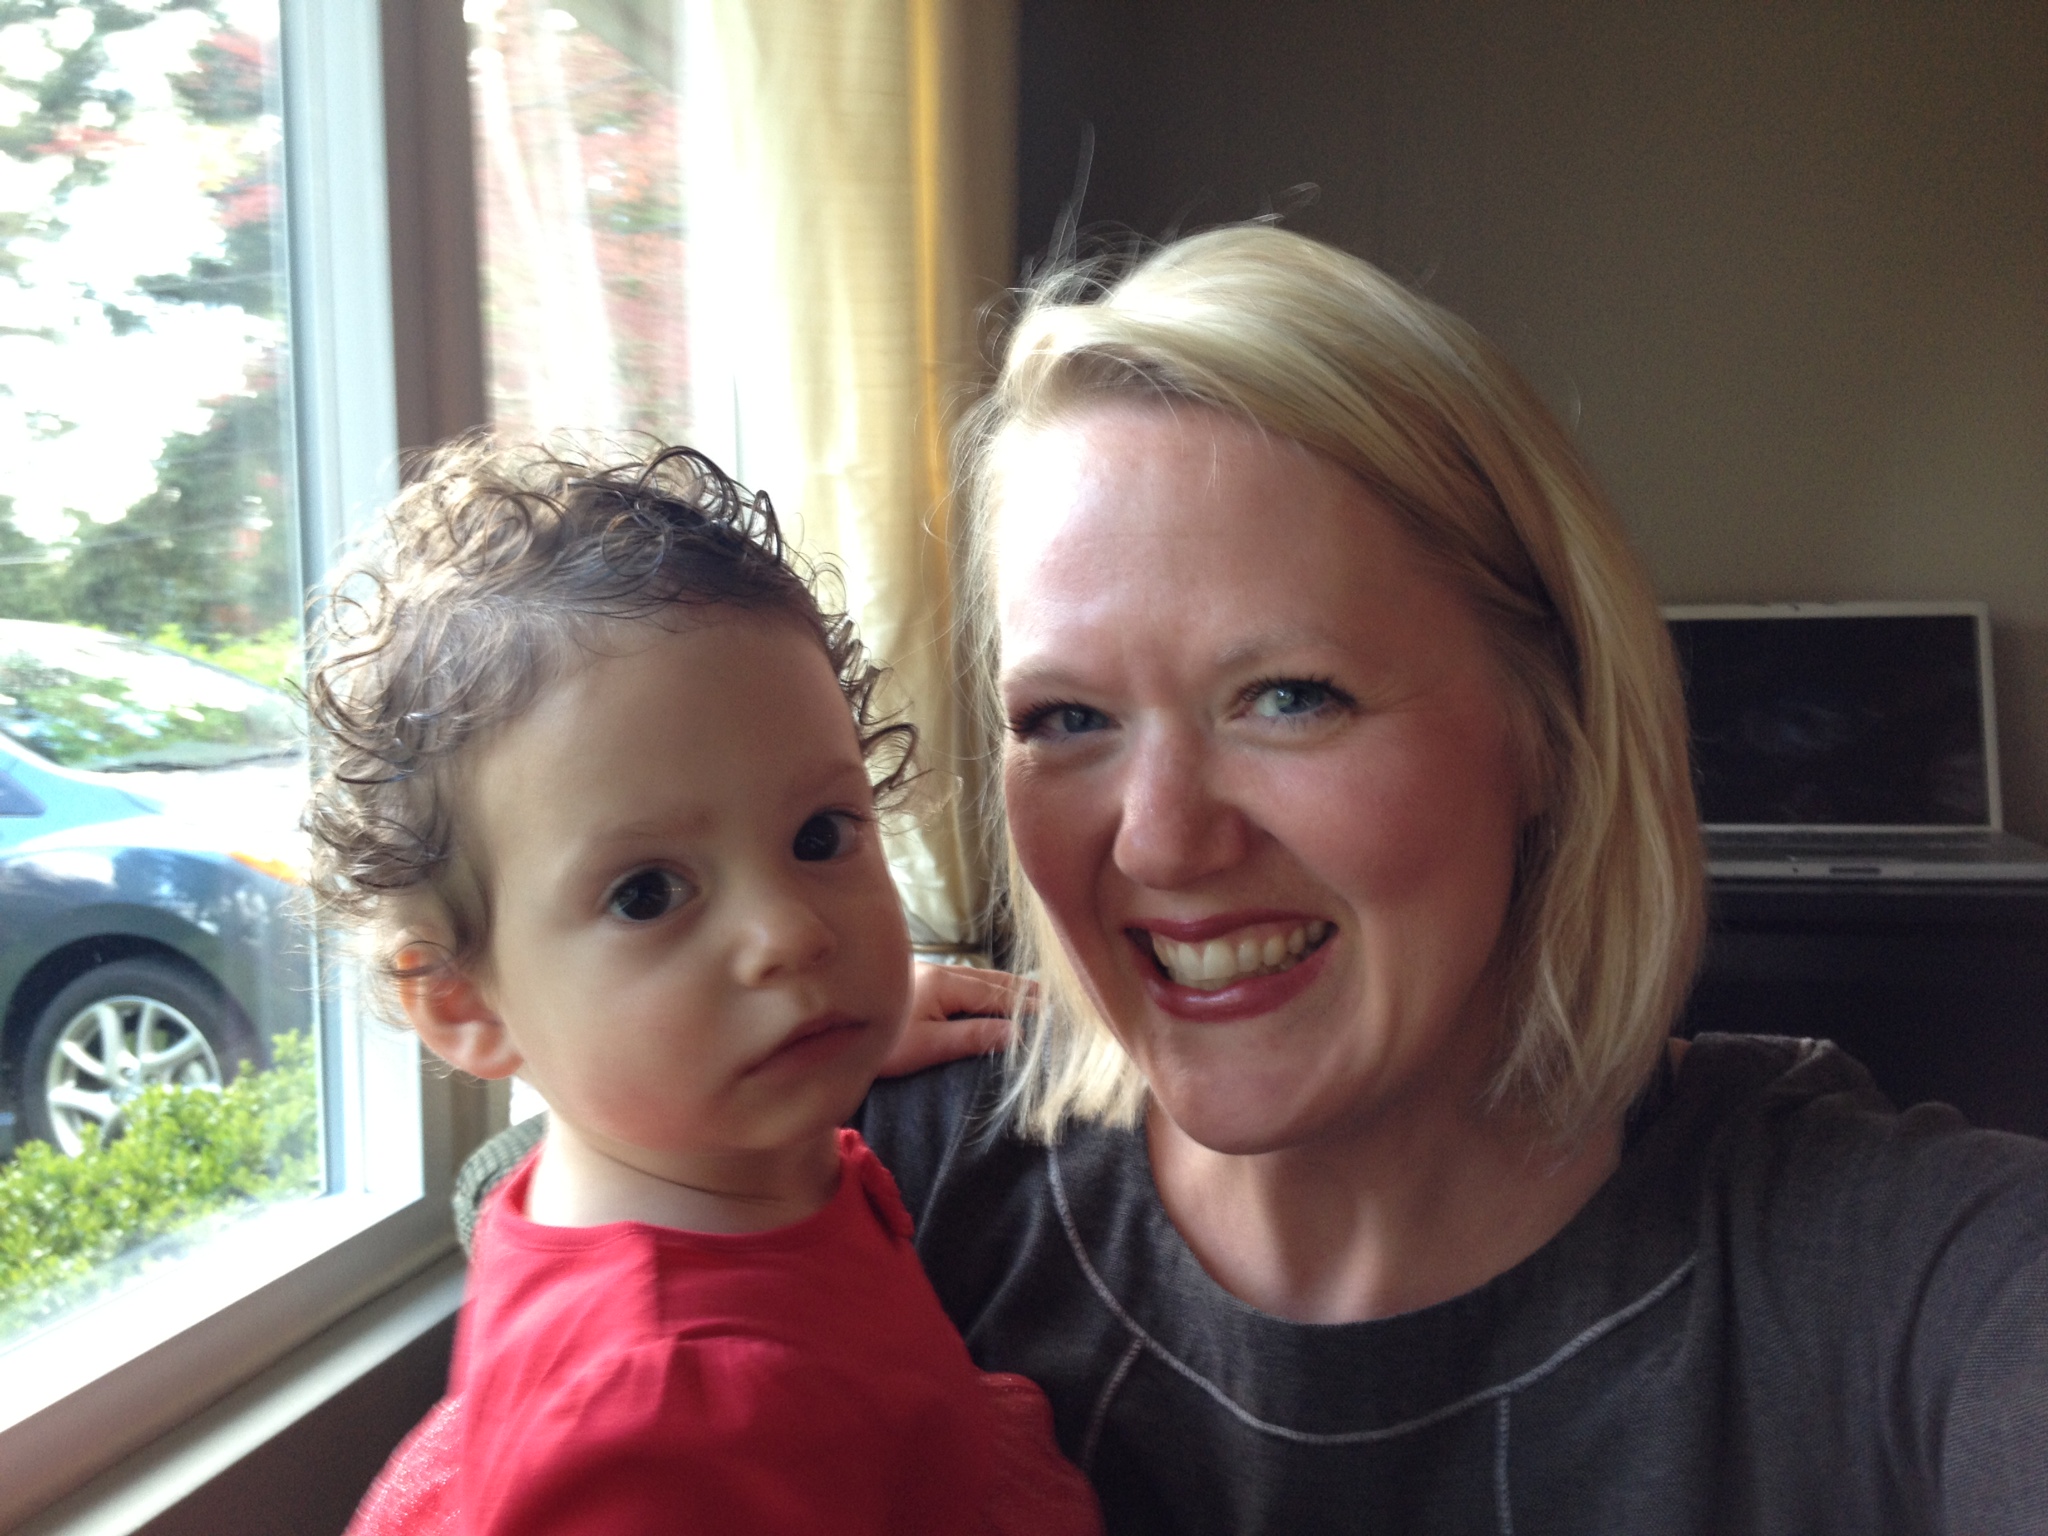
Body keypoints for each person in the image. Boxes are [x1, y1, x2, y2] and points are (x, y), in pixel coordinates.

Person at [461, 229, 2048, 1534]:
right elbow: (536, 1239)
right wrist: (733, 1072)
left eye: (1289, 695)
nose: (1161, 840)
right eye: (1067, 718)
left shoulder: (1881, 1273)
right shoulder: (882, 1177)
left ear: (1552, 726)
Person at [309, 439, 1100, 1535]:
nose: (790, 935)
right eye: (647, 894)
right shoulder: (657, 1424)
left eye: (819, 836)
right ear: (464, 1003)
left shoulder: (708, 1160)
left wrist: (852, 1020)